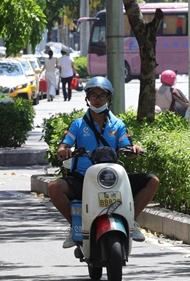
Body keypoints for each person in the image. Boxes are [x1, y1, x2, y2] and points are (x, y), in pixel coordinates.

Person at [48, 76, 159, 247]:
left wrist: (134, 150)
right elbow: (63, 147)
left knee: (152, 181)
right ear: (87, 98)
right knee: (54, 187)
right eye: (94, 95)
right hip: (83, 178)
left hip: (111, 177)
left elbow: (127, 148)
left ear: (109, 98)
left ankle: (132, 221)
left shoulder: (118, 125)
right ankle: (75, 227)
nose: (98, 99)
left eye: (102, 96)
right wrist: (64, 151)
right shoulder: (77, 124)